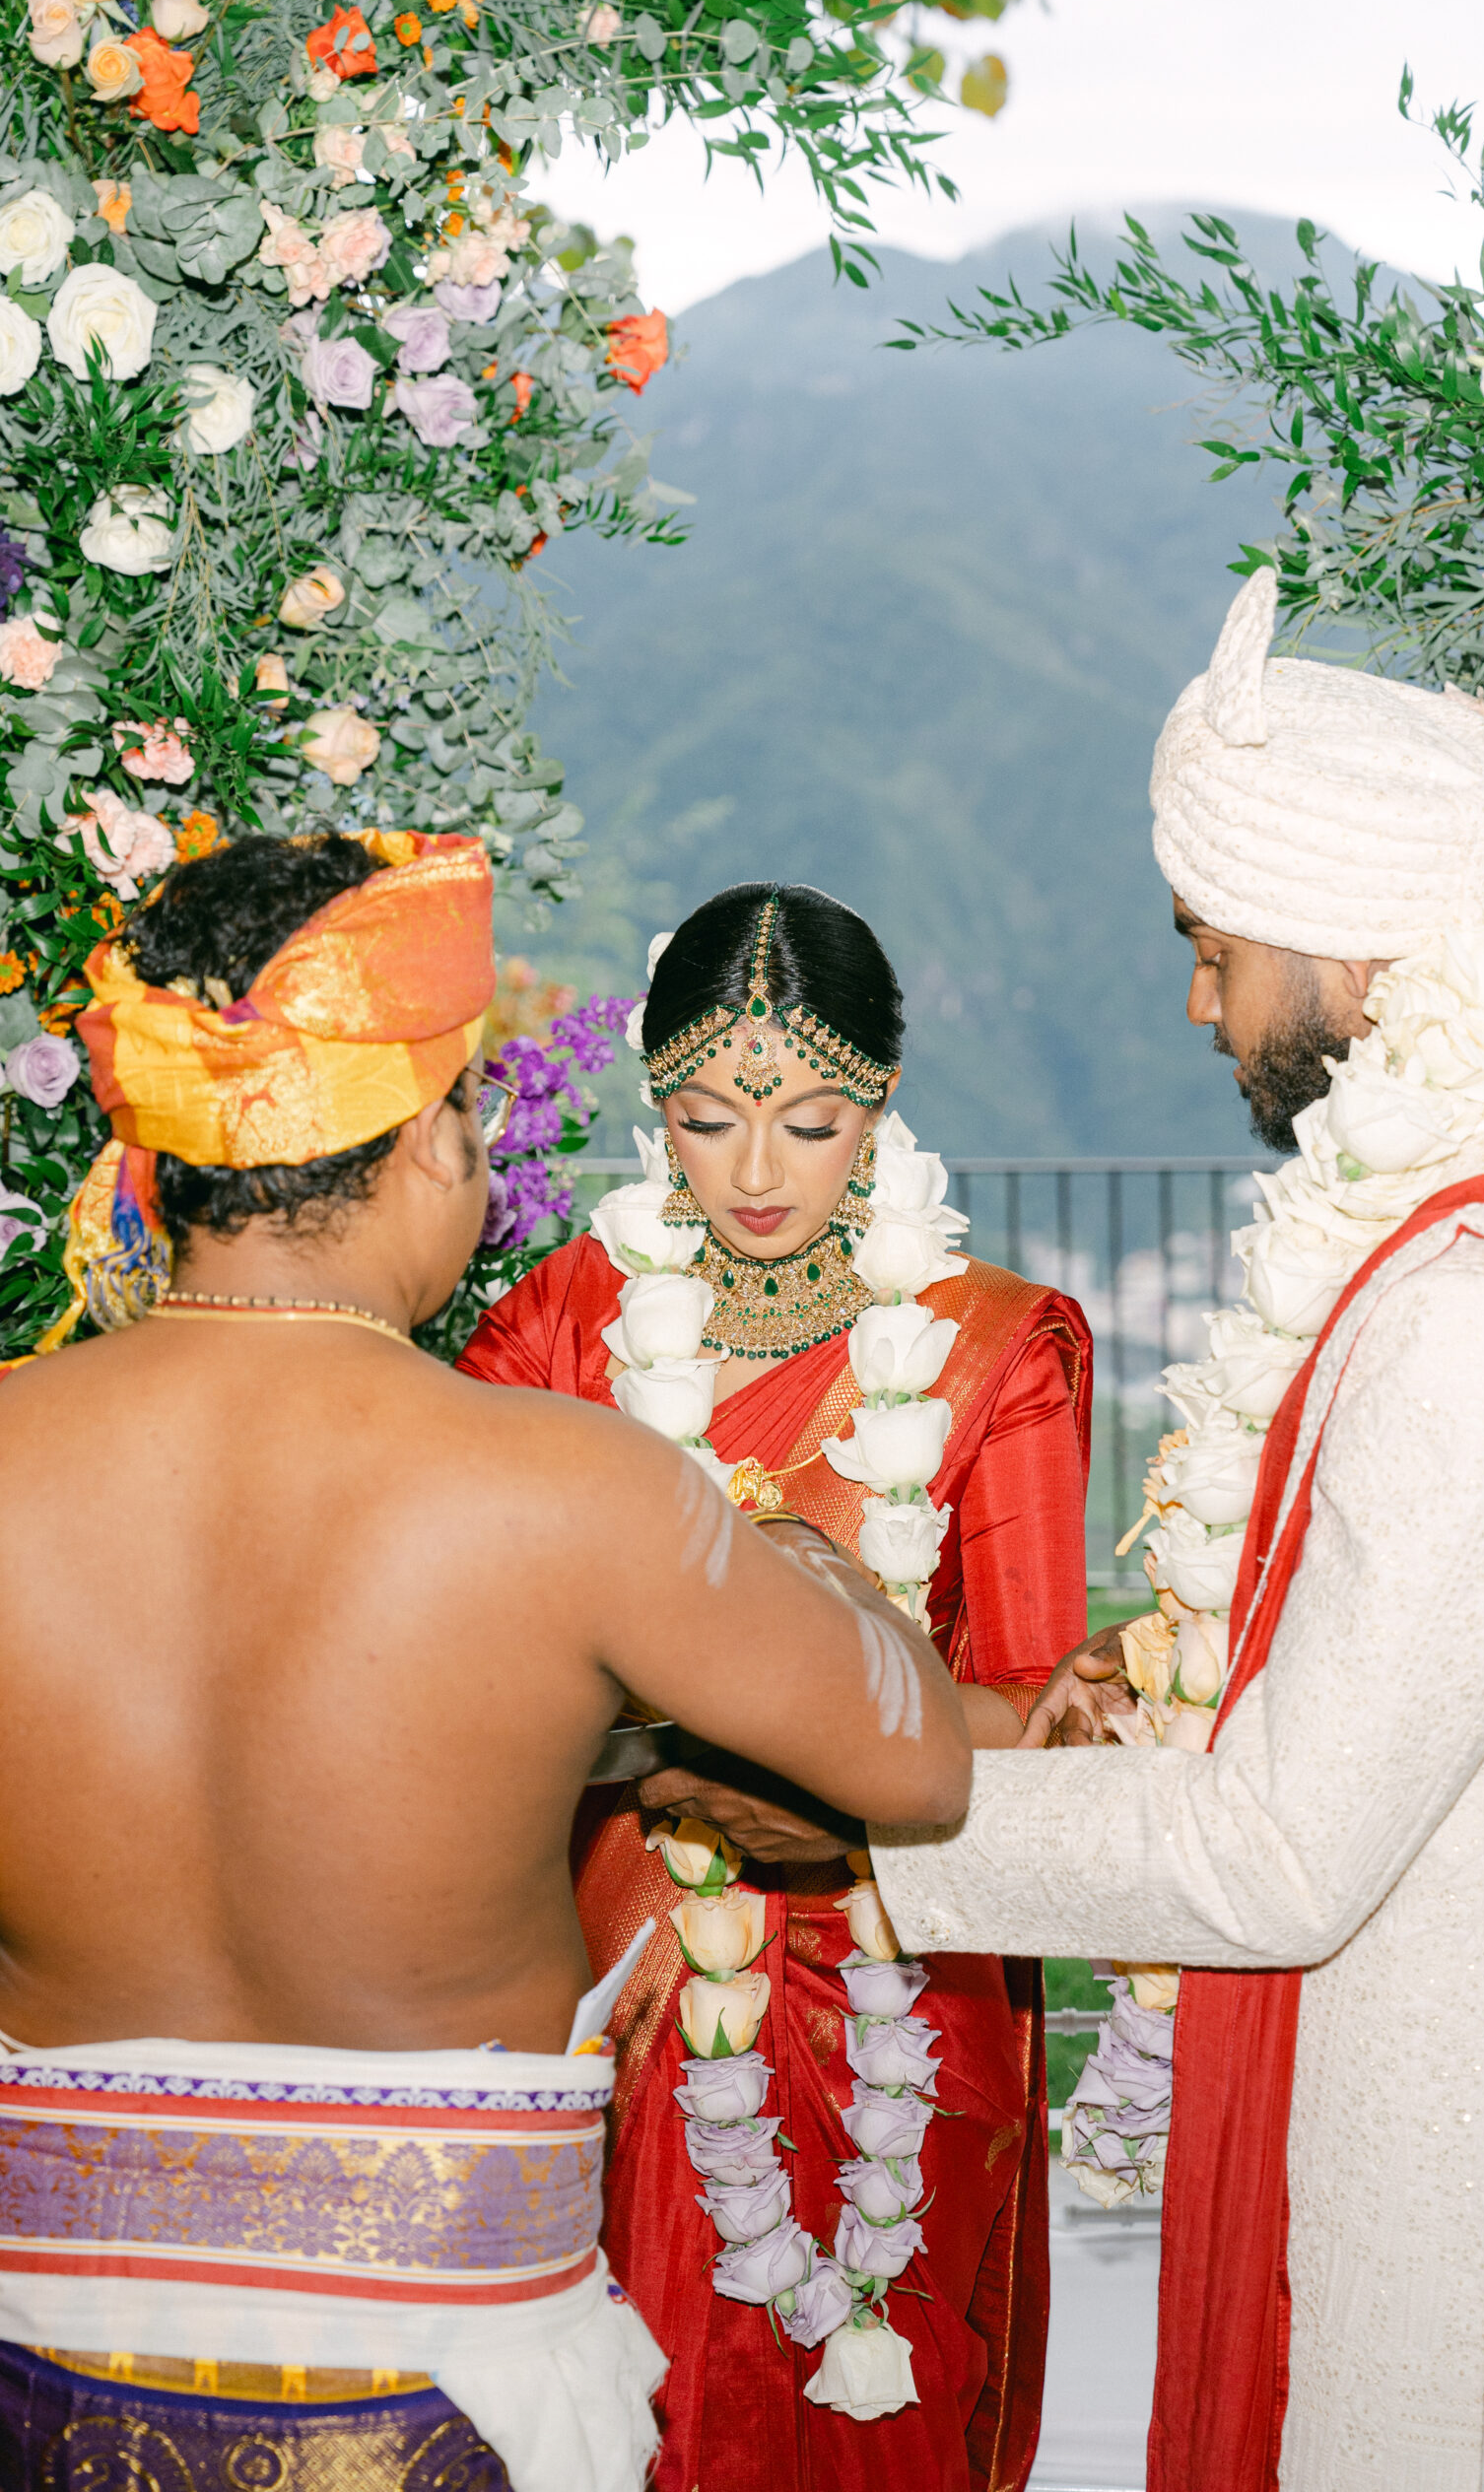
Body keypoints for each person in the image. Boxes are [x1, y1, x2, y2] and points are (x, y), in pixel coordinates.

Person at [0, 832, 972, 2492]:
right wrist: (811, 1562)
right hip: (451, 2376)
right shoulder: (572, 1494)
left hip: (43, 2344)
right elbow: (923, 1769)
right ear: (428, 1137)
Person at [866, 571, 1484, 2492]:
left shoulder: (1476, 1302)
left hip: (1461, 2178)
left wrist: (870, 1815)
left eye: (1211, 945)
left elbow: (1281, 1849)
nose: (1194, 999)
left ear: (1347, 947)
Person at [458, 882, 1092, 2492]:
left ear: (878, 1100)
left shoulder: (994, 1348)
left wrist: (823, 1790)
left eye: (808, 1123)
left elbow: (1022, 1701)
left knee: (871, 2379)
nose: (752, 1174)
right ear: (651, 1110)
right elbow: (469, 1650)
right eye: (703, 1119)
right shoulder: (561, 1324)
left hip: (892, 1953)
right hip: (606, 1940)